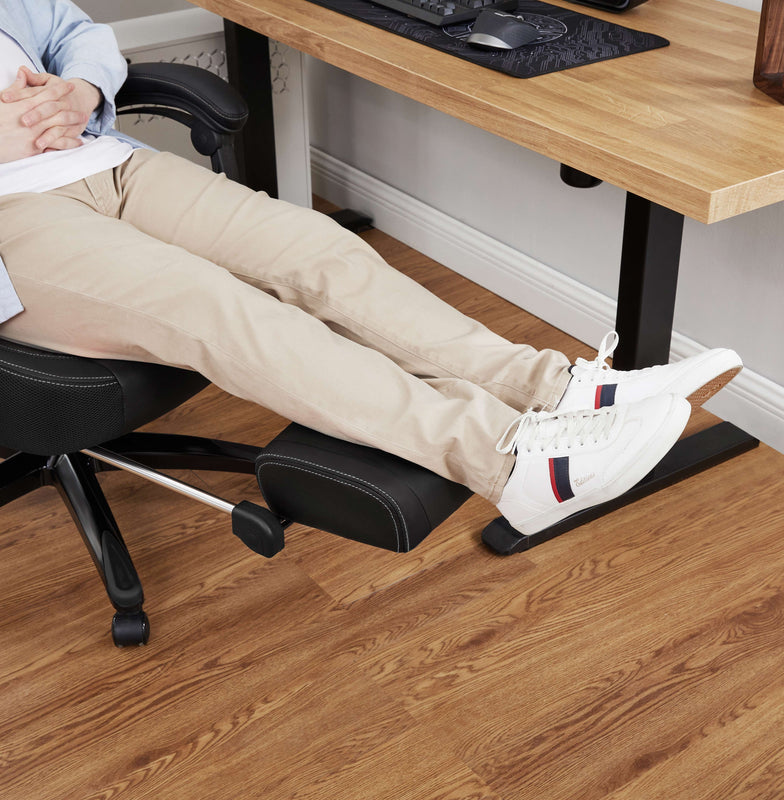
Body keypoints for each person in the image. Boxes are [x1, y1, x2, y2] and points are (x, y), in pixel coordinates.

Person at [0, 0, 742, 539]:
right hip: (12, 221)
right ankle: (513, 464)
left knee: (314, 248)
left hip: (103, 161)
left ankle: (563, 389)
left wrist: (84, 89)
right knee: (214, 303)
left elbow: (74, 31)